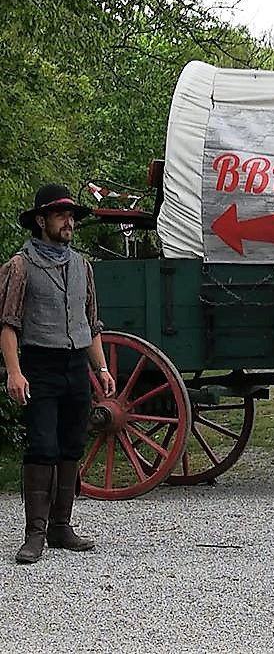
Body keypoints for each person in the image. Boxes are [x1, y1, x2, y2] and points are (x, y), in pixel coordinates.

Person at [0, 183, 116, 564]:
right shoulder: (20, 267)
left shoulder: (82, 266)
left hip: (75, 367)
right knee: (42, 447)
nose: (69, 222)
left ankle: (60, 527)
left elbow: (90, 325)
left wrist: (101, 368)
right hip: (40, 366)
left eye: (71, 216)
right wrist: (14, 372)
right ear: (41, 220)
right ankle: (34, 534)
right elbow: (8, 325)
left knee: (71, 446)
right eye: (61, 215)